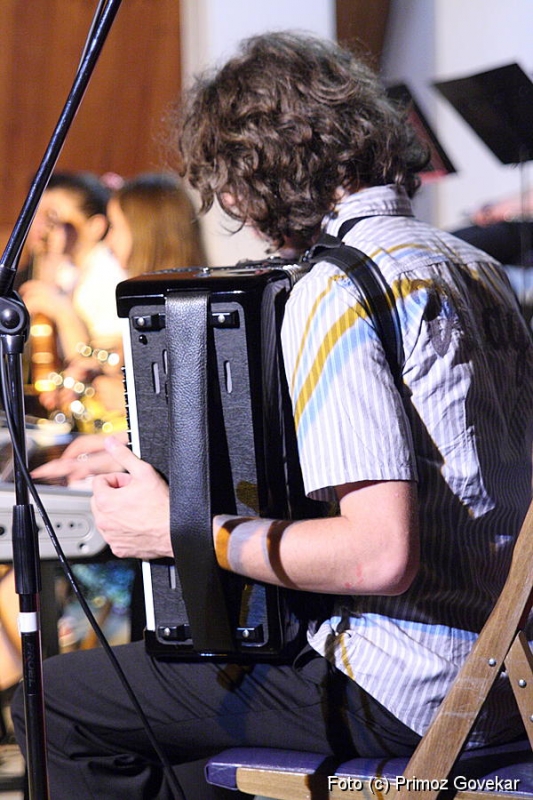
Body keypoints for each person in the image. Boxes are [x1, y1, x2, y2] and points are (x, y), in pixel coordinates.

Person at [11, 31, 533, 800]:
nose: (231, 208)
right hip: (506, 682)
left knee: (58, 700)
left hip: (405, 688)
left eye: (225, 185)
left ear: (253, 171)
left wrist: (181, 529)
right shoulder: (471, 265)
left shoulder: (336, 288)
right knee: (171, 752)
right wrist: (153, 456)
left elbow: (377, 556)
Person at [30, 172, 207, 484]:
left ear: (145, 235)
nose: (109, 240)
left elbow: (186, 425)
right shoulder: (150, 301)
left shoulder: (183, 311)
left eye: (116, 228)